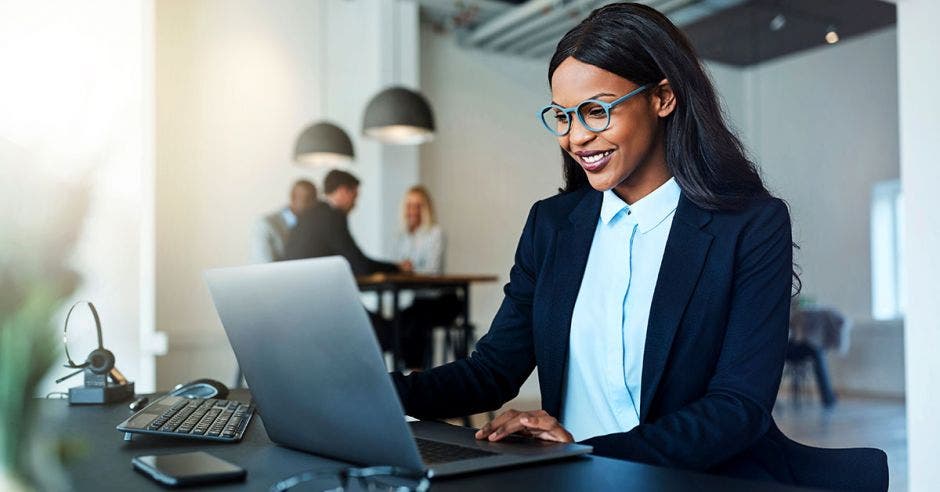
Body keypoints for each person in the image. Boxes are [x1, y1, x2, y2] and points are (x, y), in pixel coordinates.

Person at [390, 3, 800, 484]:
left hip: (685, 479)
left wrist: (585, 452)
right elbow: (493, 371)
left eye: (596, 111)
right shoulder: (552, 224)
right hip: (569, 478)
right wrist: (372, 393)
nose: (577, 137)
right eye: (562, 116)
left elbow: (738, 407)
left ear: (663, 97)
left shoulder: (751, 225)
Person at [283, 169, 407, 275]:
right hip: (313, 290)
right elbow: (359, 265)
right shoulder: (332, 217)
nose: (355, 204)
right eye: (354, 197)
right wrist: (396, 268)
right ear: (343, 191)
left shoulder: (312, 213)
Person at [394, 186, 461, 369]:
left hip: (441, 300)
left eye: (418, 206)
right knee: (398, 323)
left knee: (414, 324)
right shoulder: (403, 237)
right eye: (409, 205)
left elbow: (433, 270)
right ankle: (407, 373)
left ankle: (418, 374)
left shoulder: (435, 233)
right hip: (419, 300)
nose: (413, 211)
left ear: (426, 208)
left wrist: (408, 269)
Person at [249, 179, 317, 263]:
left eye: (315, 200)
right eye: (308, 200)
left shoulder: (311, 226)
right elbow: (263, 267)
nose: (312, 205)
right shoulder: (265, 225)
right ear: (293, 197)